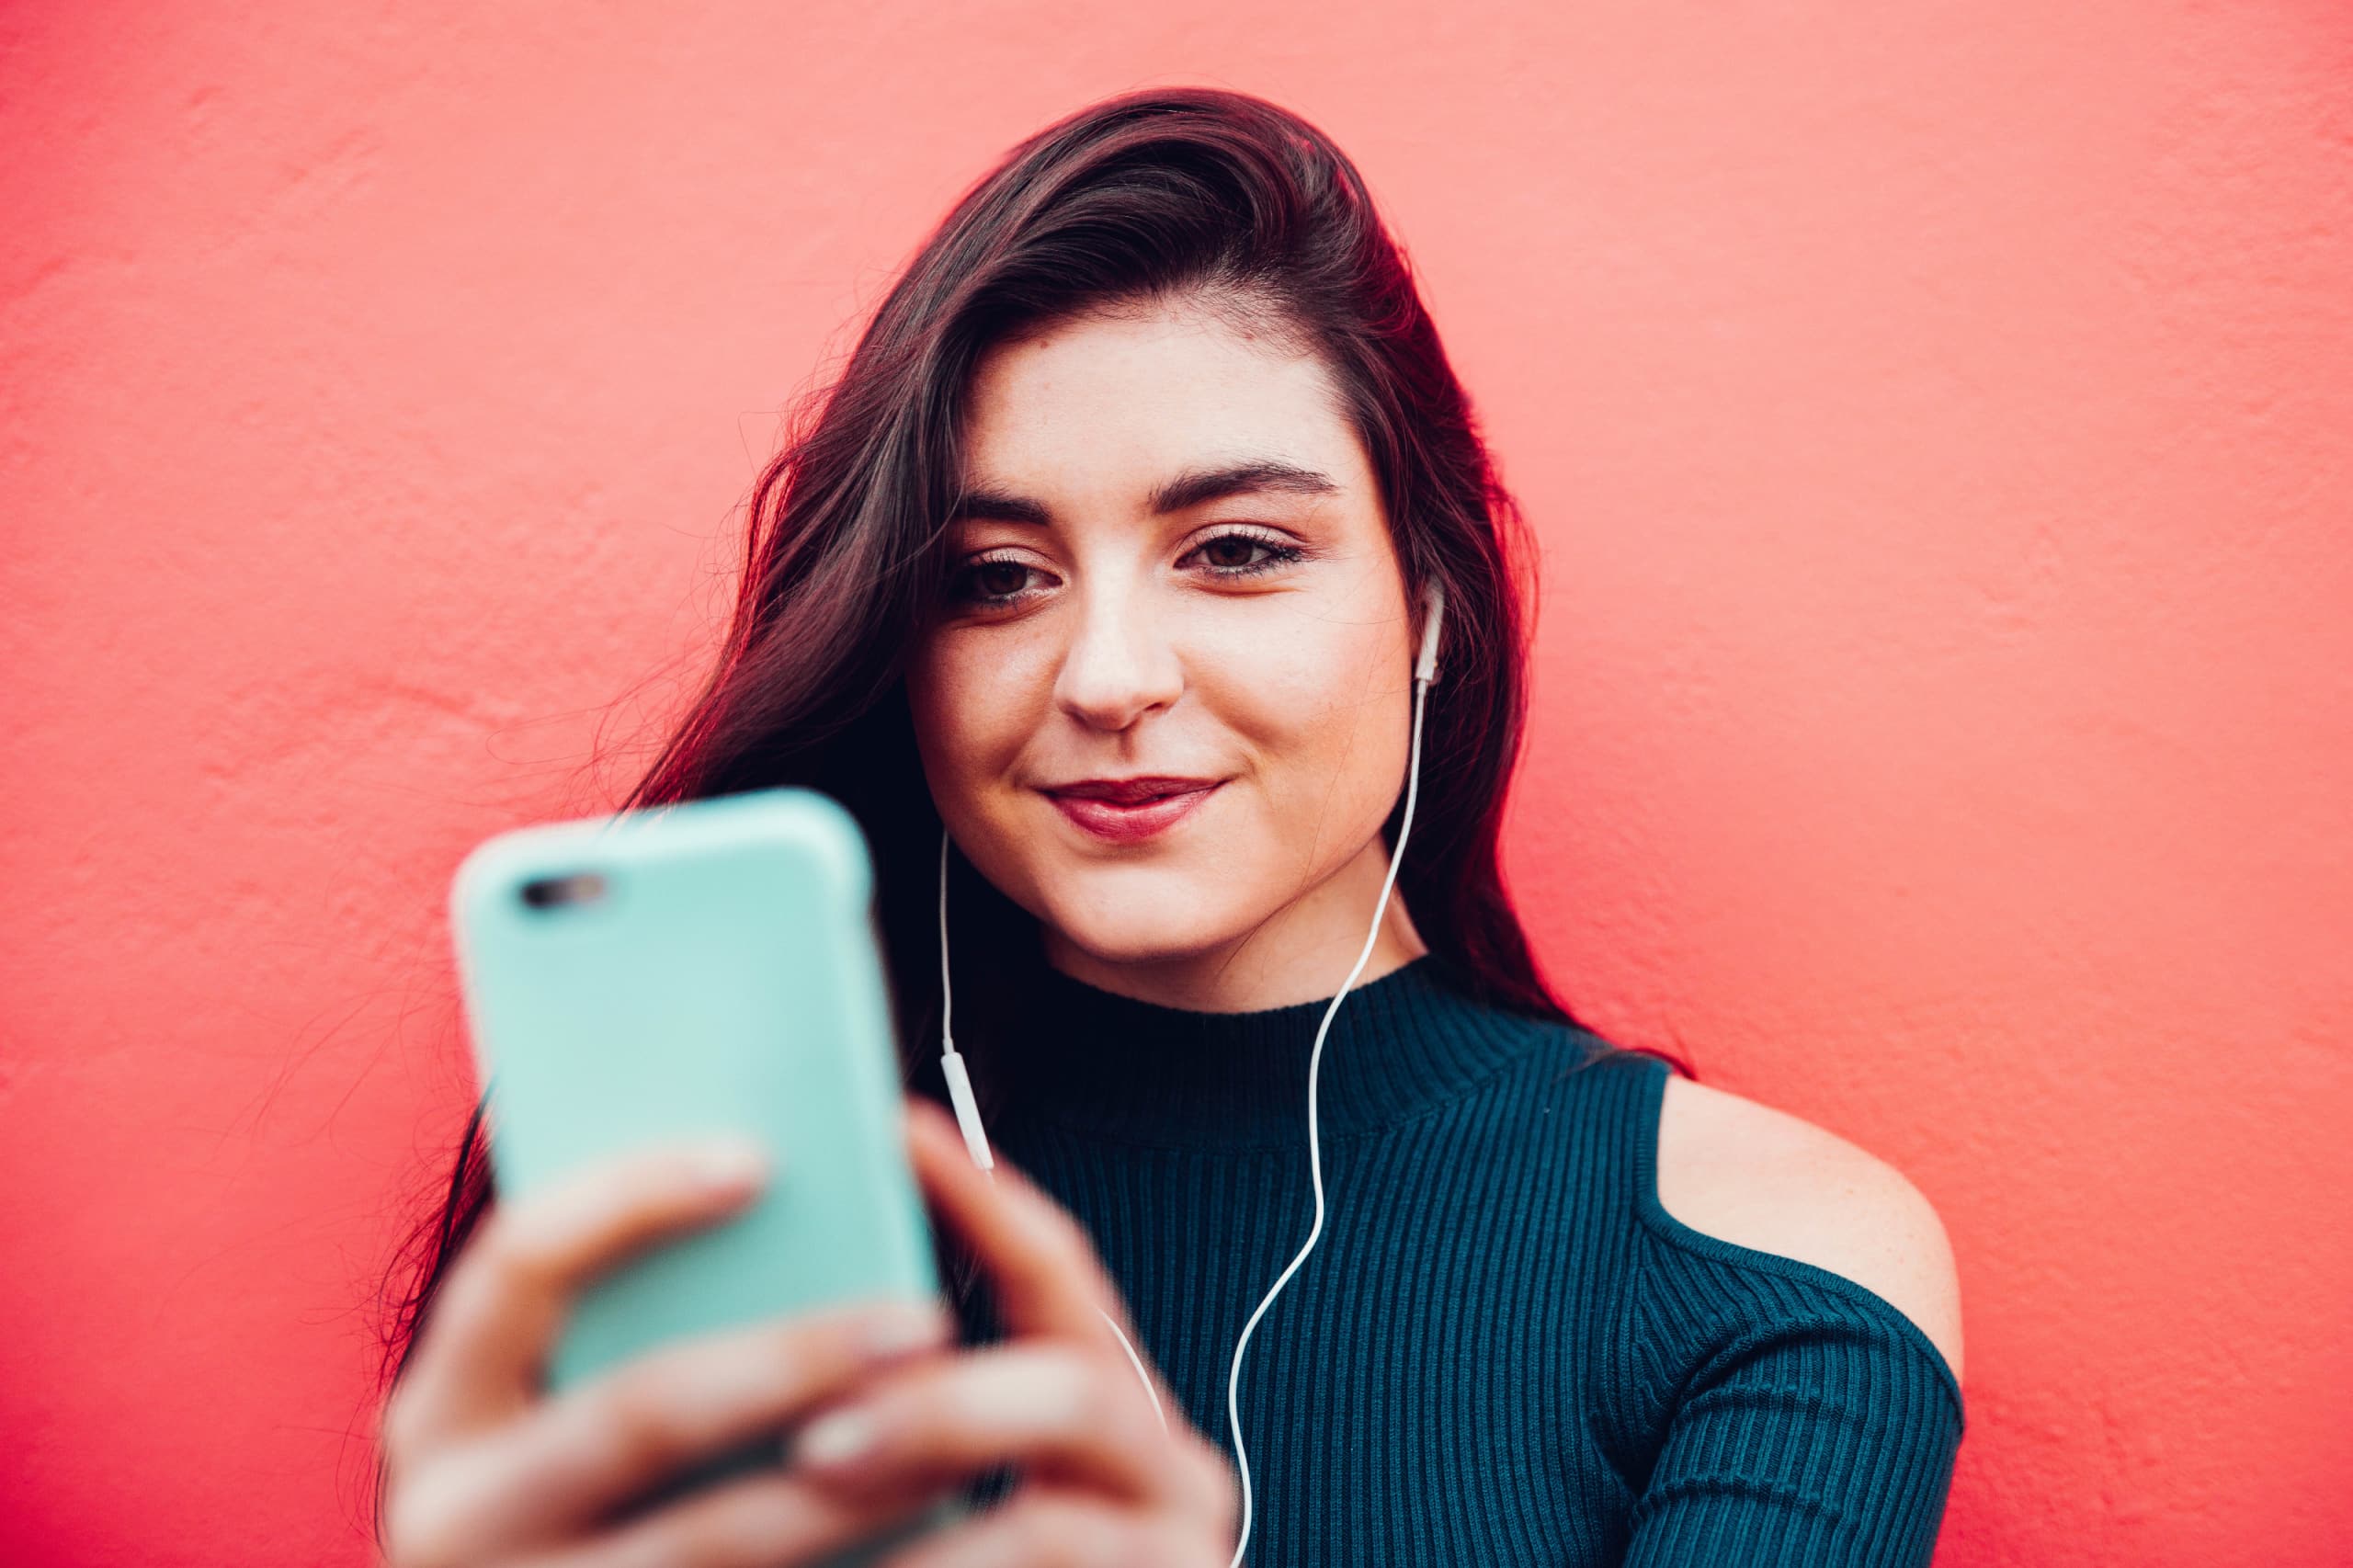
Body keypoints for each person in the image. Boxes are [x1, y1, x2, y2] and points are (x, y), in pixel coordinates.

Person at [373, 85, 1964, 1567]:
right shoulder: (706, 1263)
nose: (1108, 677)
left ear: (1428, 601)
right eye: (996, 578)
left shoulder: (1768, 1269)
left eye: (1239, 548)